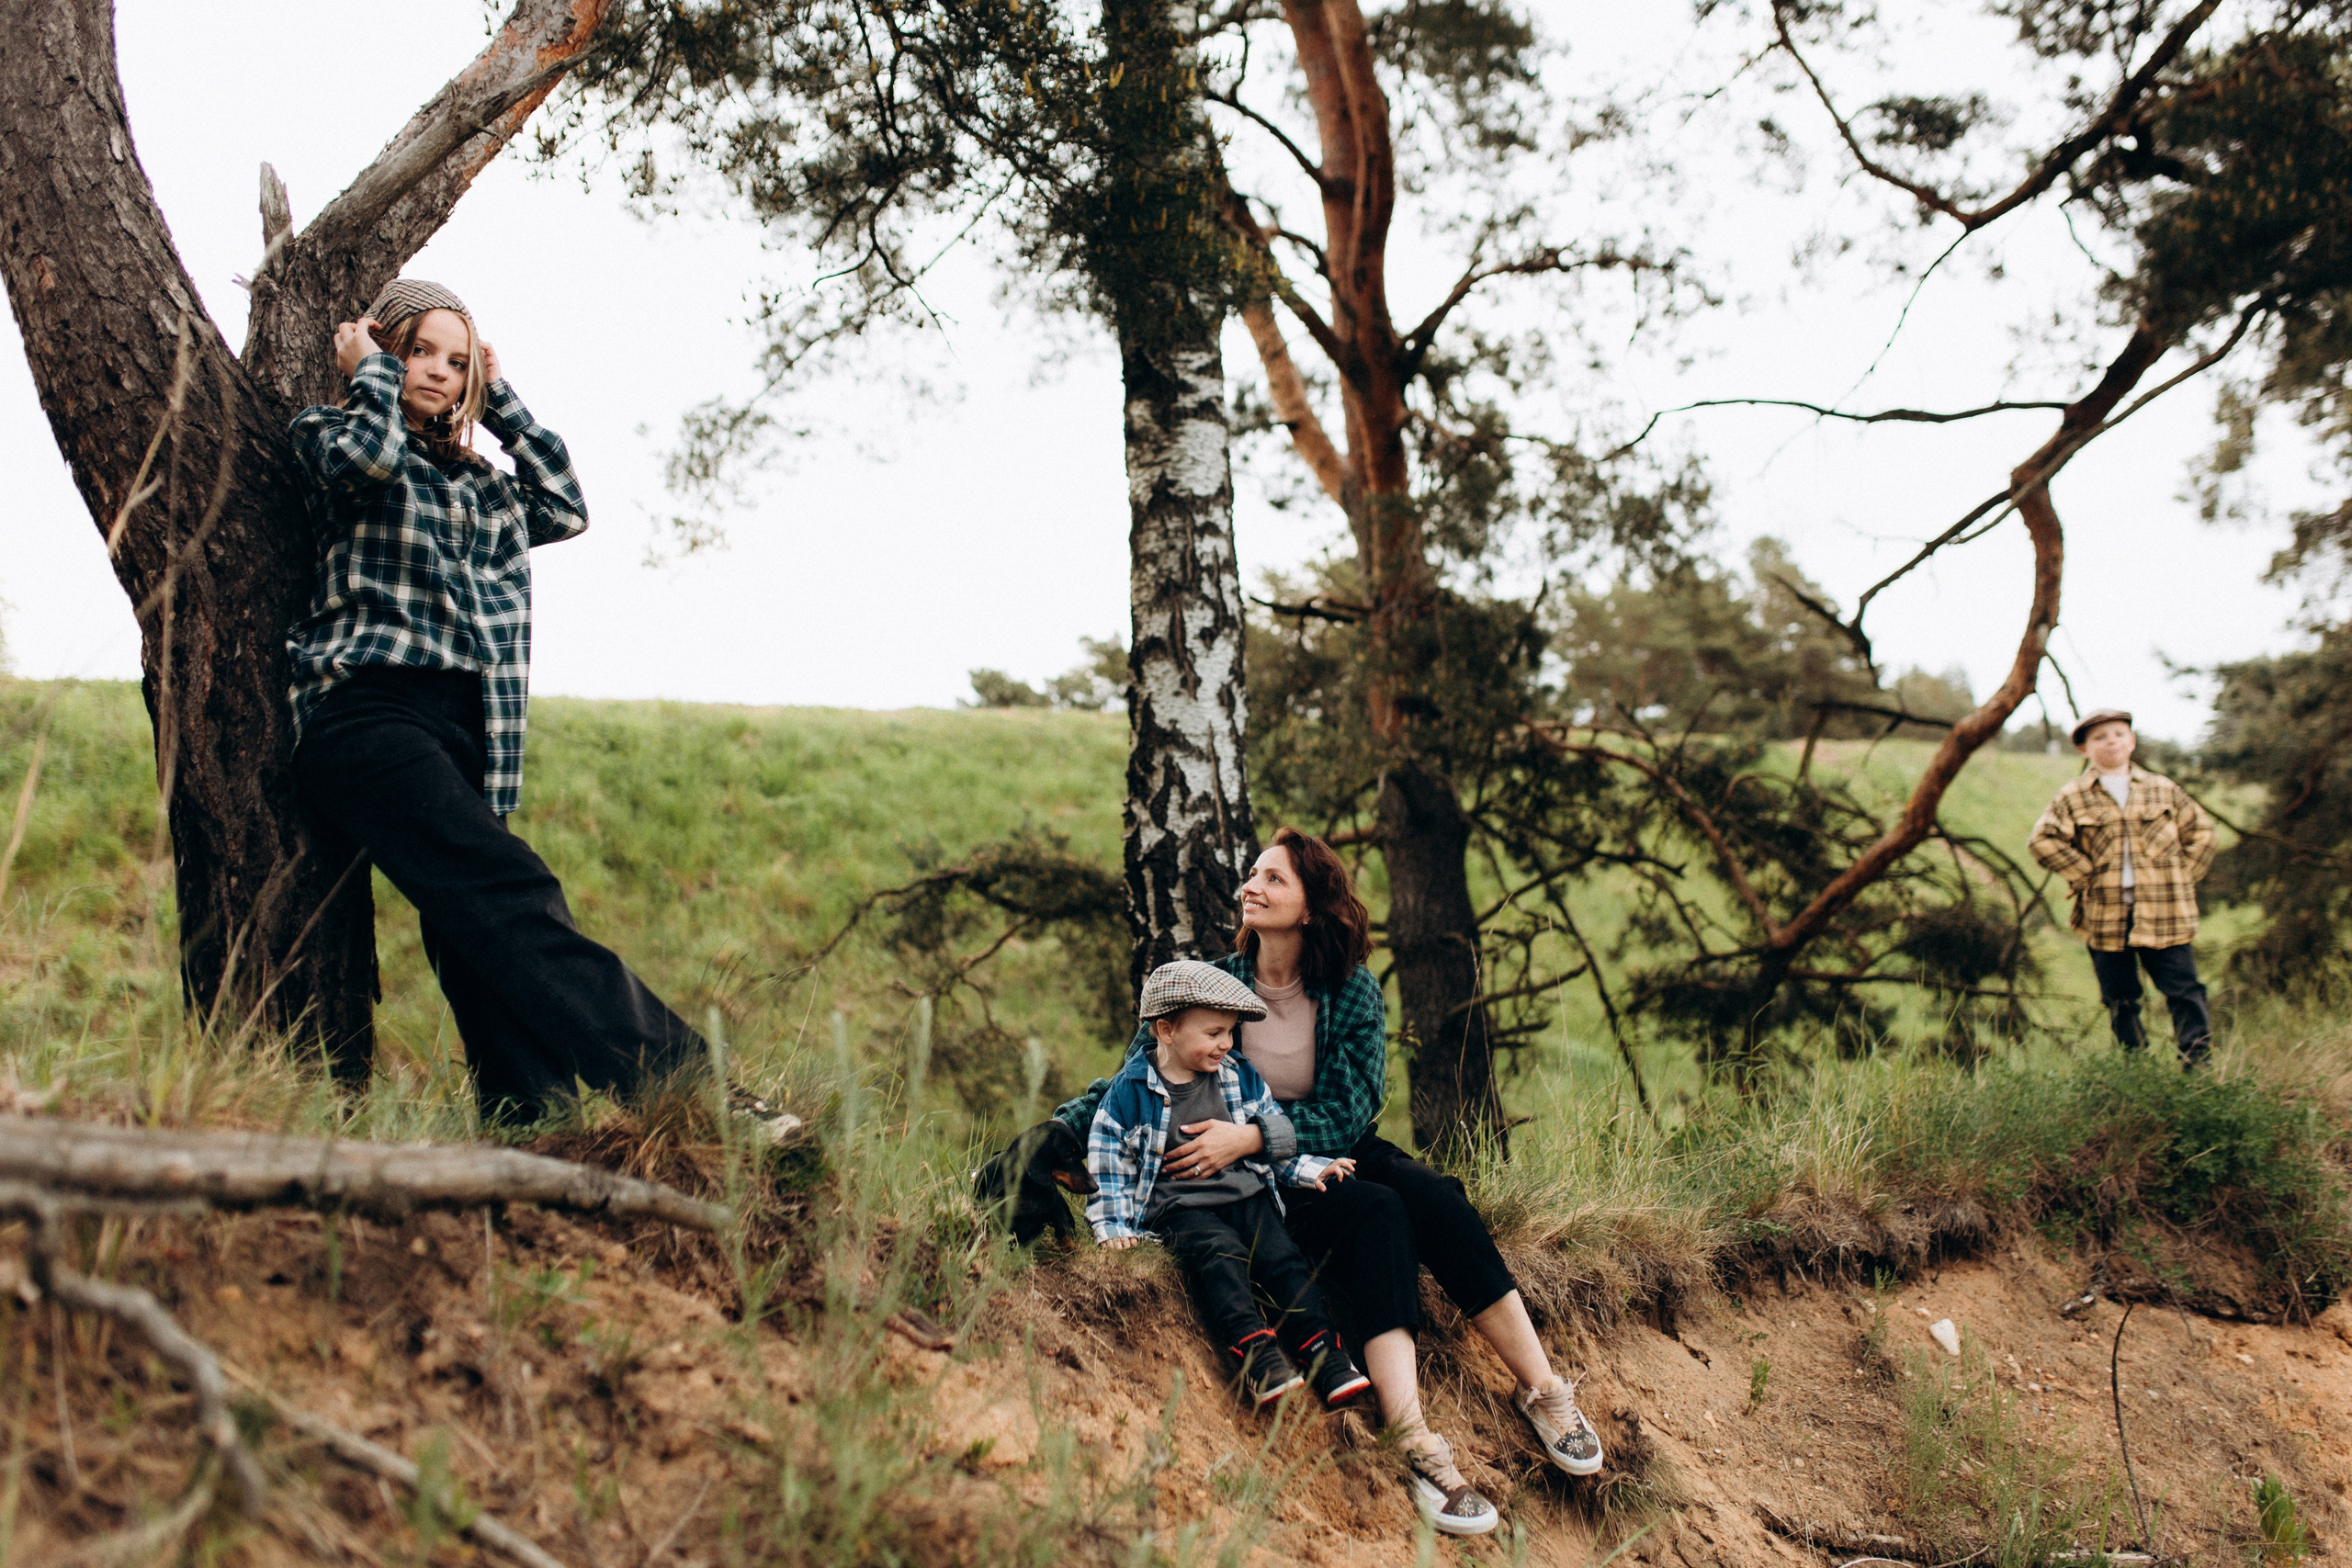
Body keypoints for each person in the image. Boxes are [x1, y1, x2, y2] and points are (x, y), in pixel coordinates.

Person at [287, 278, 766, 1131]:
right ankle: (693, 1091)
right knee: (514, 890)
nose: (437, 371)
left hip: (466, 733)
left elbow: (564, 504)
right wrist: (368, 376)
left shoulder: (484, 486)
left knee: (479, 942)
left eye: (457, 361)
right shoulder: (332, 433)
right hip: (366, 710)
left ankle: (538, 1137)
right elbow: (367, 462)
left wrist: (500, 399)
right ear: (382, 347)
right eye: (417, 350)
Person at [1057, 829, 1607, 1537]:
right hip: (1258, 1179)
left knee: (1435, 1196)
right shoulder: (1217, 980)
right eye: (1252, 874)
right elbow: (1136, 1068)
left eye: (1273, 878)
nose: (1251, 885)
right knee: (1378, 1214)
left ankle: (1543, 1388)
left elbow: (1352, 1107)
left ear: (1312, 906)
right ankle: (1414, 1440)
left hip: (1323, 1144)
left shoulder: (1348, 989)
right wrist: (1061, 1132)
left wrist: (1253, 1131)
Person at [1087, 960, 1374, 1414]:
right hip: (1181, 1208)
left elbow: (1266, 1134)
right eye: (1214, 1033)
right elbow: (1108, 1164)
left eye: (1230, 1033)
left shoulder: (1237, 1075)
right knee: (1219, 1256)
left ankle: (1325, 1354)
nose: (1226, 1044)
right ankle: (1257, 1355)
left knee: (1284, 1261)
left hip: (1249, 1195)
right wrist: (1114, 1226)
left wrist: (1310, 1168)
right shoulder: (1129, 1093)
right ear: (1165, 1030)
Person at [2029, 708, 2218, 1066]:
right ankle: (2137, 1070)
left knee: (2184, 990)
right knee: (2120, 997)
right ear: (2084, 750)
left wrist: (2181, 875)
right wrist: (2085, 874)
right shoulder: (2073, 796)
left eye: (2118, 734)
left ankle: (2198, 1069)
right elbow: (2042, 841)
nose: (2111, 741)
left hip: (2166, 912)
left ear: (2131, 742)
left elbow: (2203, 833)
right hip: (2105, 913)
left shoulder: (2162, 789)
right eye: (2099, 737)